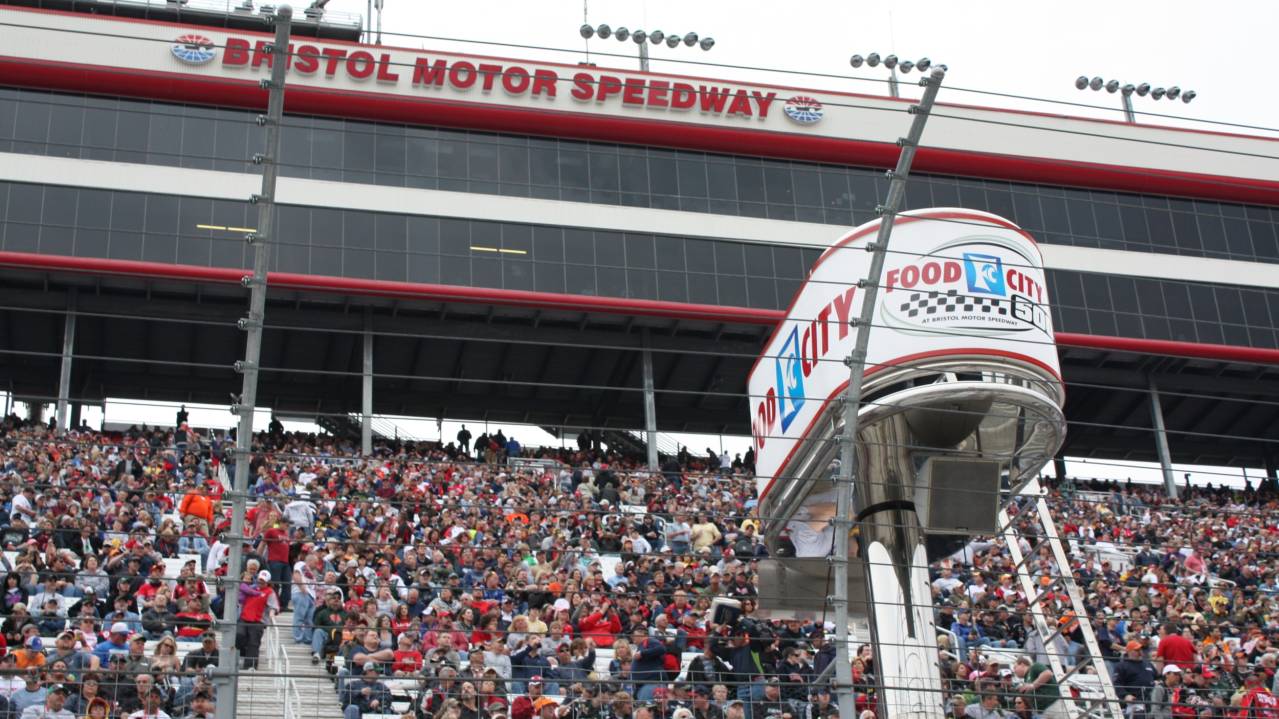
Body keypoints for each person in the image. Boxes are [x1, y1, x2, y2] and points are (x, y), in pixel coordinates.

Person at [237, 570, 278, 670]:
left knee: (253, 643)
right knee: (239, 635)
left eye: (263, 581)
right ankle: (241, 655)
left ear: (267, 582)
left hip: (258, 620)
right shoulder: (251, 588)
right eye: (260, 580)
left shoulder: (270, 592)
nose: (261, 582)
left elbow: (273, 606)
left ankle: (250, 666)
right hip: (244, 617)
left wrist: (272, 613)